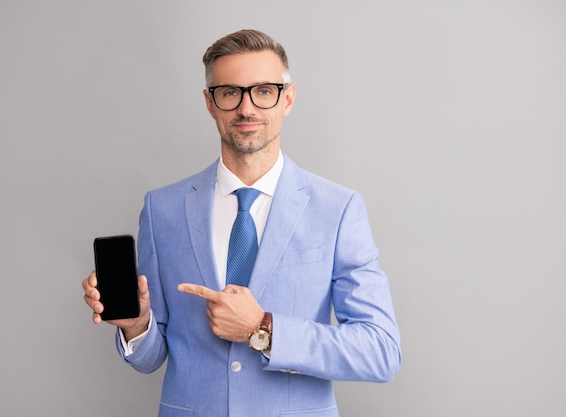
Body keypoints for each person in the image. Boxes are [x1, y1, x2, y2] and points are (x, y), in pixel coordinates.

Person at [82, 29, 401, 417]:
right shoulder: (162, 209)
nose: (246, 109)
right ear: (209, 103)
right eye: (230, 92)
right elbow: (151, 358)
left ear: (288, 98)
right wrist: (137, 324)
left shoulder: (338, 209)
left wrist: (262, 329)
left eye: (263, 91)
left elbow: (380, 351)